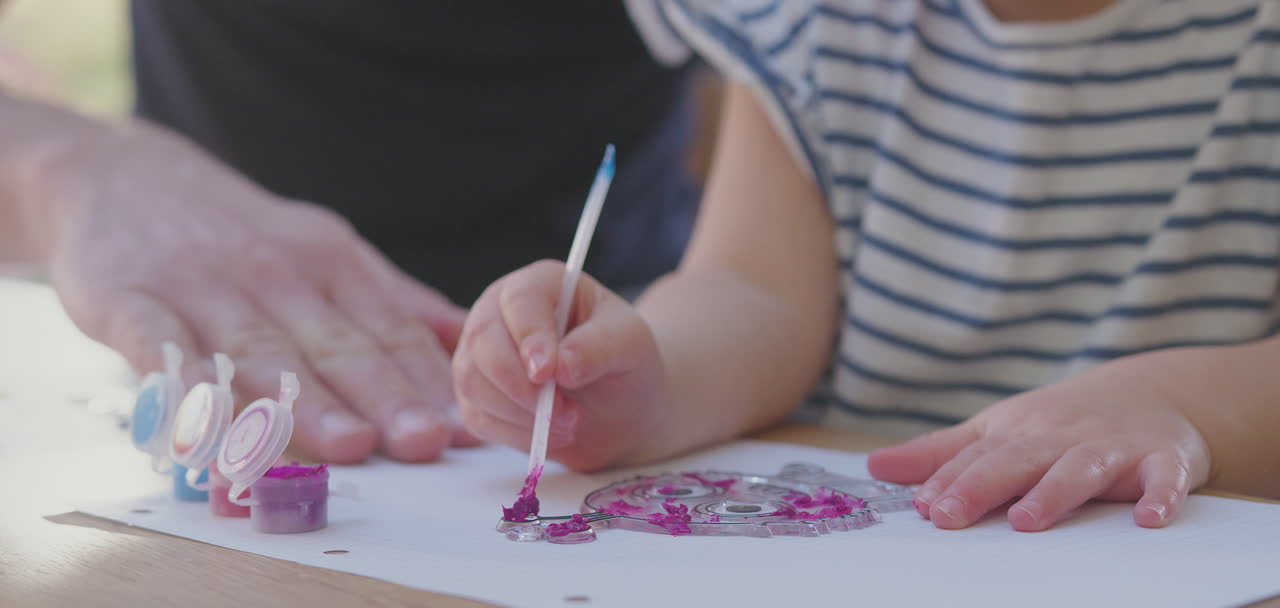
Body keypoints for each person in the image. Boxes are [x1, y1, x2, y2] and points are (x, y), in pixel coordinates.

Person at [452, 0, 1280, 532]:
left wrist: (1186, 407)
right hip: (872, 586)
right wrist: (652, 381)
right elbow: (753, 290)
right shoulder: (813, 19)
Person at [0, 0, 701, 464]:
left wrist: (691, 356)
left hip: (608, 361)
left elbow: (752, 118)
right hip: (196, 364)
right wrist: (60, 165)